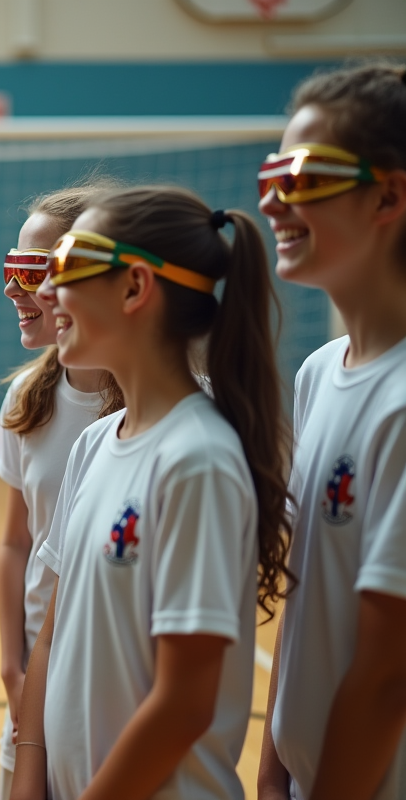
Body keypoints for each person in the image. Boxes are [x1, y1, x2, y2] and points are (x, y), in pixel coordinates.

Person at [10, 186, 292, 800]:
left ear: (136, 288)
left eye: (67, 268)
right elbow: (51, 639)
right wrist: (28, 775)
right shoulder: (94, 444)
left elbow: (184, 706)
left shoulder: (198, 460)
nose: (47, 292)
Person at [257, 62, 406, 800]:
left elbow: (386, 675)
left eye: (304, 179)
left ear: (389, 193)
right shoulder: (318, 373)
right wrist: (274, 766)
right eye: (271, 177)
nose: (276, 203)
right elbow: (308, 596)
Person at [0, 185, 122, 800]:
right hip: (42, 674)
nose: (15, 289)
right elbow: (16, 542)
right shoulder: (27, 399)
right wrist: (14, 668)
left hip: (122, 679)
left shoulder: (180, 412)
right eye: (13, 269)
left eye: (34, 270)